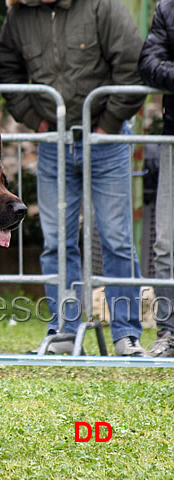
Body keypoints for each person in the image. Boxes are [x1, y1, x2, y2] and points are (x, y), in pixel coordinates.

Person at [0, 0, 147, 356]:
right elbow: (7, 67)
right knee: (56, 241)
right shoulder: (20, 12)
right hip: (53, 141)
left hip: (105, 140)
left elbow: (130, 63)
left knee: (117, 239)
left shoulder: (102, 6)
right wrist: (35, 119)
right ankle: (63, 331)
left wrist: (107, 125)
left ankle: (126, 335)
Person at [138, 0, 174, 357]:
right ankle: (169, 332)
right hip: (173, 139)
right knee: (166, 244)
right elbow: (148, 64)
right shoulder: (167, 8)